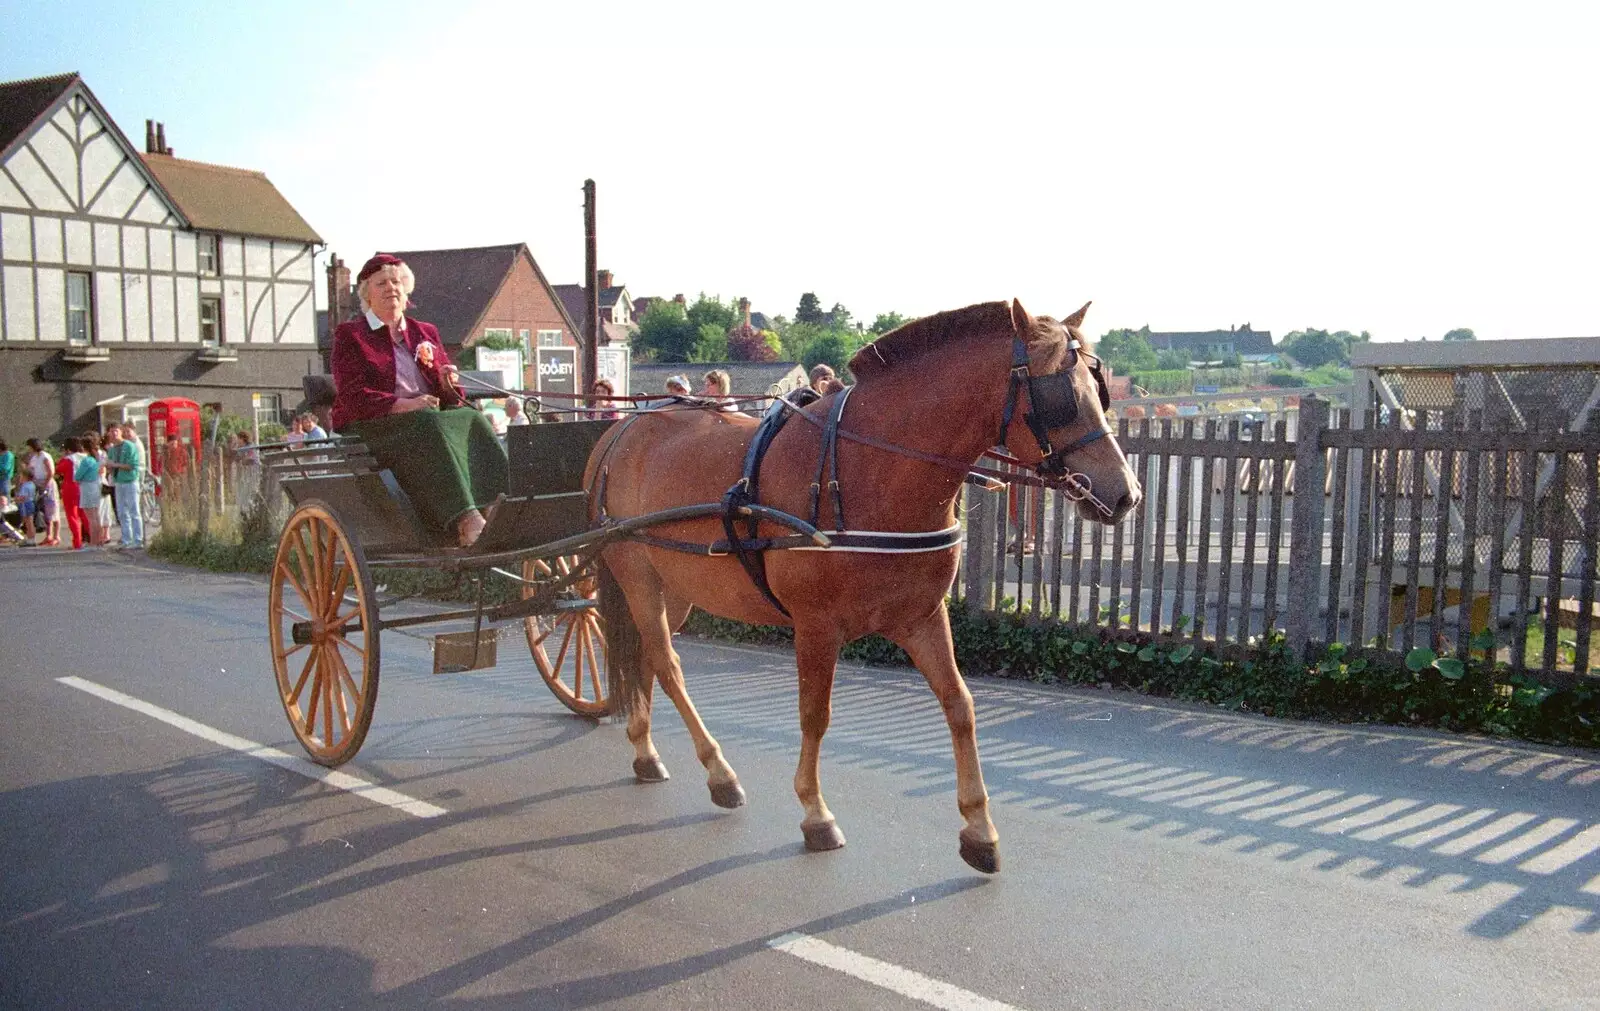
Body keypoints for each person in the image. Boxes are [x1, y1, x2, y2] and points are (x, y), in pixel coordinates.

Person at [331, 253, 508, 548]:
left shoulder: (424, 332)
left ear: (406, 288)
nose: (391, 288)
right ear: (367, 294)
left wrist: (446, 383)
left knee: (473, 417)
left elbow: (450, 397)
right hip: (375, 425)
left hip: (423, 420)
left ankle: (498, 505)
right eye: (381, 283)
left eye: (396, 281)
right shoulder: (352, 335)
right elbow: (352, 395)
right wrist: (404, 405)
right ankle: (466, 520)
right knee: (428, 423)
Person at [105, 424, 144, 548]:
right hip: (118, 482)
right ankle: (127, 539)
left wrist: (115, 465)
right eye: (111, 432)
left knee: (134, 511)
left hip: (130, 481)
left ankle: (138, 540)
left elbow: (132, 465)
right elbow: (110, 466)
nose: (114, 434)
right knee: (122, 512)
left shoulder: (129, 446)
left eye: (116, 431)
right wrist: (109, 467)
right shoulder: (111, 450)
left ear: (121, 432)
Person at [55, 437, 87, 550]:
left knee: (72, 515)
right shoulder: (85, 457)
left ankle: (77, 541)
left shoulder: (68, 459)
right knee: (85, 514)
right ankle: (90, 538)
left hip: (70, 486)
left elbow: (58, 470)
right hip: (83, 486)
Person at [76, 434, 107, 545]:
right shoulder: (96, 460)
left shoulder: (86, 460)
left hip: (87, 487)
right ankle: (99, 540)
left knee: (91, 517)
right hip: (96, 486)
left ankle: (93, 542)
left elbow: (77, 476)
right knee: (96, 515)